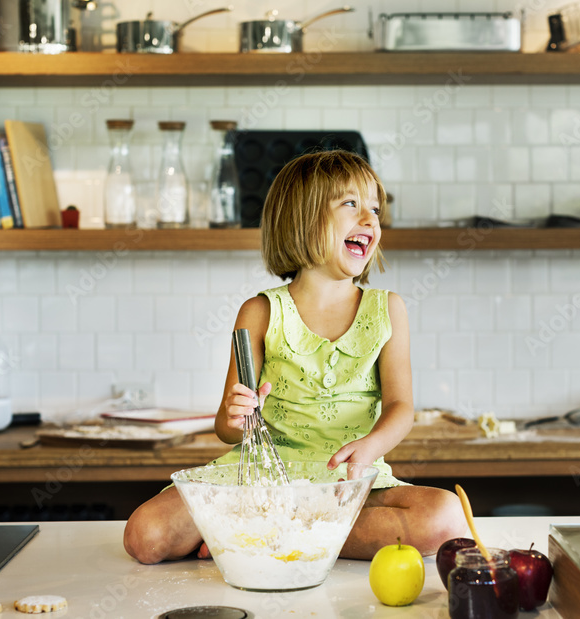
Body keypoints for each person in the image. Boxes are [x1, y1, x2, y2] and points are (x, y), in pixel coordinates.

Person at [123, 150, 467, 564]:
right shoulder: (260, 312)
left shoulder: (387, 309)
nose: (370, 219)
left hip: (344, 481)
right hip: (259, 481)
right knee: (146, 536)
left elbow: (401, 407)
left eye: (375, 208)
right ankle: (294, 531)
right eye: (351, 204)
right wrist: (237, 416)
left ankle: (255, 533)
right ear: (303, 219)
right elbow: (229, 430)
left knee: (446, 518)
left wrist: (371, 446)